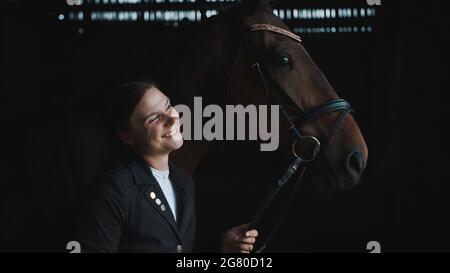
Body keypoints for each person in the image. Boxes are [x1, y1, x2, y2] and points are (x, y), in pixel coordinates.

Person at [78, 79, 258, 253]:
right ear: (127, 137)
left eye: (168, 106)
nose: (172, 118)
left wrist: (221, 247)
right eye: (154, 118)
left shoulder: (184, 182)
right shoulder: (112, 190)